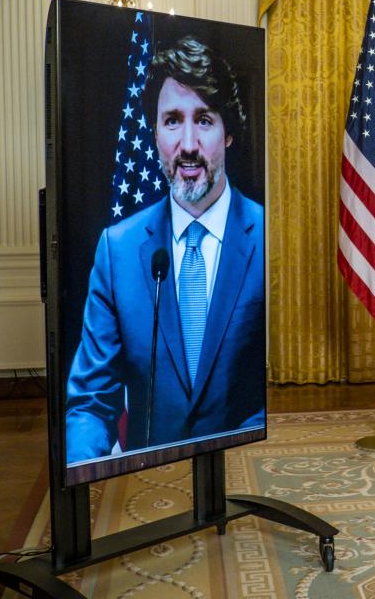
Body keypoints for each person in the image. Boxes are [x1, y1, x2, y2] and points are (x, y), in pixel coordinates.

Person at [65, 36, 265, 464]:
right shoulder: (117, 251)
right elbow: (90, 405)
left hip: (245, 467)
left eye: (205, 120)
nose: (188, 144)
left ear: (228, 133)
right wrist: (85, 474)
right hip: (146, 478)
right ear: (154, 133)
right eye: (172, 120)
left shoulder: (266, 235)